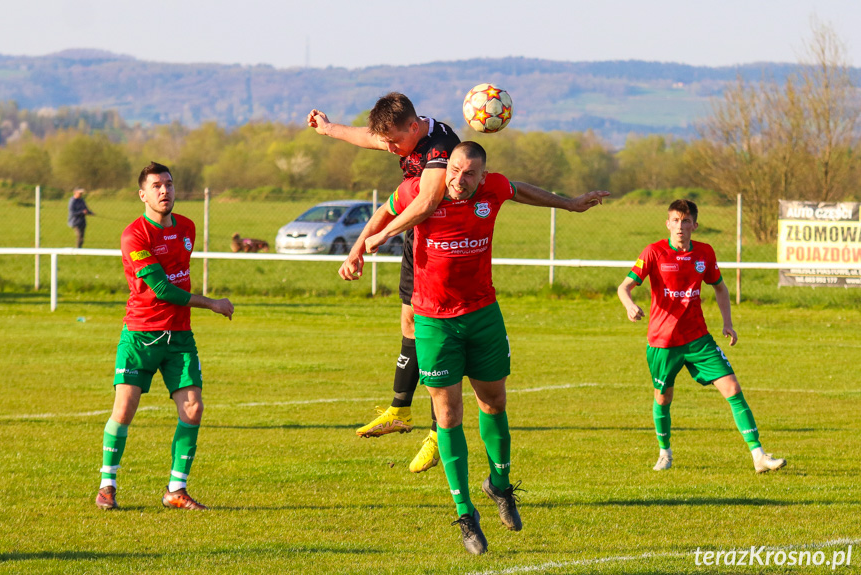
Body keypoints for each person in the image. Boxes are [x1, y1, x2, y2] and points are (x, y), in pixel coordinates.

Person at [341, 141, 608, 554]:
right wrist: (360, 246)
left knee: (495, 404)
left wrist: (571, 204)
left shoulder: (493, 190)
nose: (458, 180)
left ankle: (499, 486)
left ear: (483, 176)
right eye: (454, 169)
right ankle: (465, 513)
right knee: (447, 414)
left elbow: (523, 189)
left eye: (468, 174)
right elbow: (385, 210)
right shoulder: (422, 190)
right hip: (434, 322)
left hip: (483, 315)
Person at [308, 92, 459, 473]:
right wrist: (328, 129)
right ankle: (399, 410)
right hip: (418, 242)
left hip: (449, 247)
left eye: (394, 141)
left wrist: (379, 236)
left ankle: (438, 433)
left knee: (433, 335)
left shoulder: (441, 147)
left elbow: (427, 202)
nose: (390, 148)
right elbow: (364, 135)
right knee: (409, 322)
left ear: (413, 126)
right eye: (387, 142)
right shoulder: (400, 133)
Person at [95, 162, 234, 511]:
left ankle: (176, 489)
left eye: (169, 184)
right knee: (124, 409)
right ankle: (107, 484)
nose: (164, 191)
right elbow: (160, 289)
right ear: (142, 194)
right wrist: (211, 303)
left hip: (180, 337)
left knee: (193, 408)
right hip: (140, 335)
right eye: (156, 185)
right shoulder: (134, 235)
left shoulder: (188, 227)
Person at [617, 199, 786, 474]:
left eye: (685, 221)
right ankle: (665, 452)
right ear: (667, 223)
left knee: (733, 388)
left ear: (694, 224)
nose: (680, 226)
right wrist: (629, 305)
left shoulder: (705, 253)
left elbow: (720, 288)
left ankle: (759, 456)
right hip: (663, 342)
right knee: (663, 397)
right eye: (675, 220)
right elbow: (623, 287)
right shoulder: (653, 252)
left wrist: (727, 322)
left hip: (698, 338)